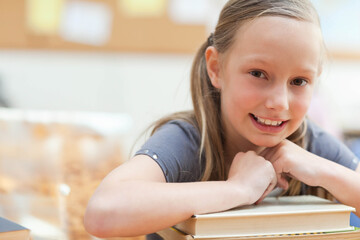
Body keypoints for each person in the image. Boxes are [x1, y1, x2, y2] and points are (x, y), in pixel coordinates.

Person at [84, 0, 360, 239]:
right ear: (216, 68)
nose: (279, 102)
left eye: (299, 81)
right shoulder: (188, 140)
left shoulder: (310, 144)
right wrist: (236, 189)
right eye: (258, 73)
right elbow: (103, 212)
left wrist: (327, 171)